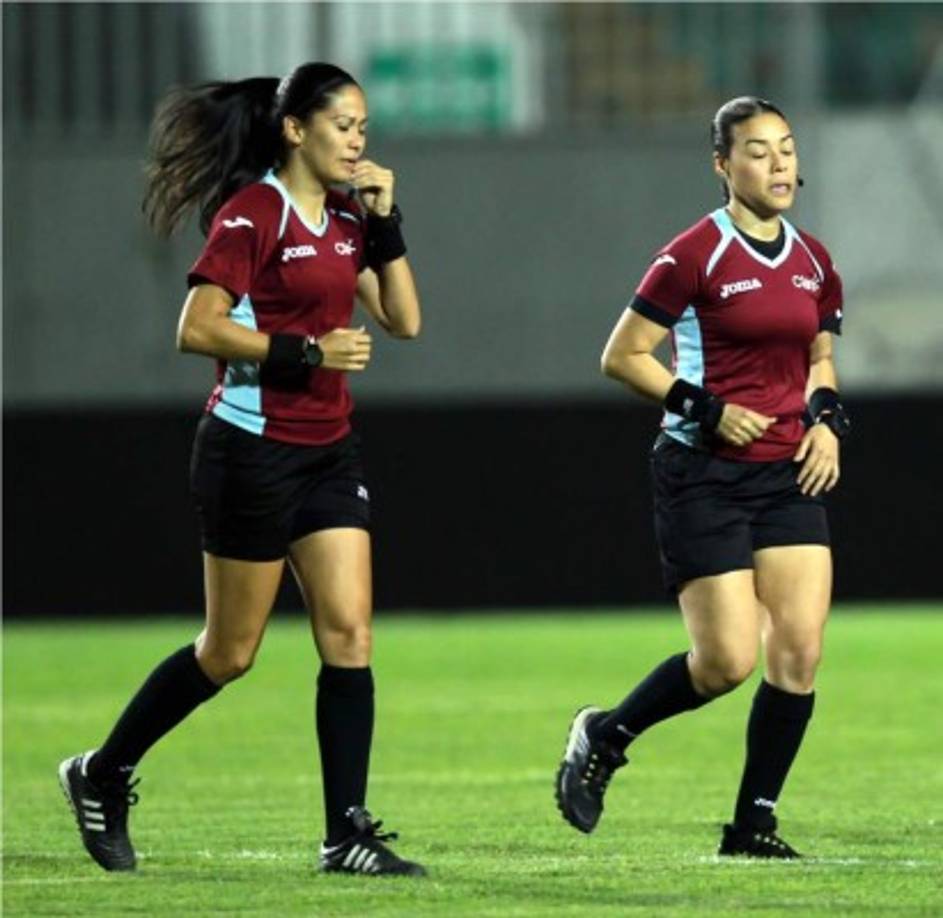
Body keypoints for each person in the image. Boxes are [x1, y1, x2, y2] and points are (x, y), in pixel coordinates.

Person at [59, 62, 426, 877]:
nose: (358, 141)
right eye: (344, 125)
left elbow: (403, 318)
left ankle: (345, 835)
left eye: (364, 128)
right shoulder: (253, 212)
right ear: (295, 130)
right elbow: (196, 329)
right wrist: (305, 350)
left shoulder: (343, 218)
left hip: (328, 451)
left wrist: (388, 222)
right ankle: (102, 770)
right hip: (249, 451)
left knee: (350, 635)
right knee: (229, 652)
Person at [555, 96, 851, 858]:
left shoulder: (813, 260)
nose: (778, 163)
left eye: (785, 148)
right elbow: (620, 356)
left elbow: (817, 358)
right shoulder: (692, 255)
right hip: (702, 474)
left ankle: (751, 825)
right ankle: (605, 734)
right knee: (724, 662)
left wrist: (825, 422)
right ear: (722, 166)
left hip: (784, 474)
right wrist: (706, 407)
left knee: (799, 652)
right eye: (757, 150)